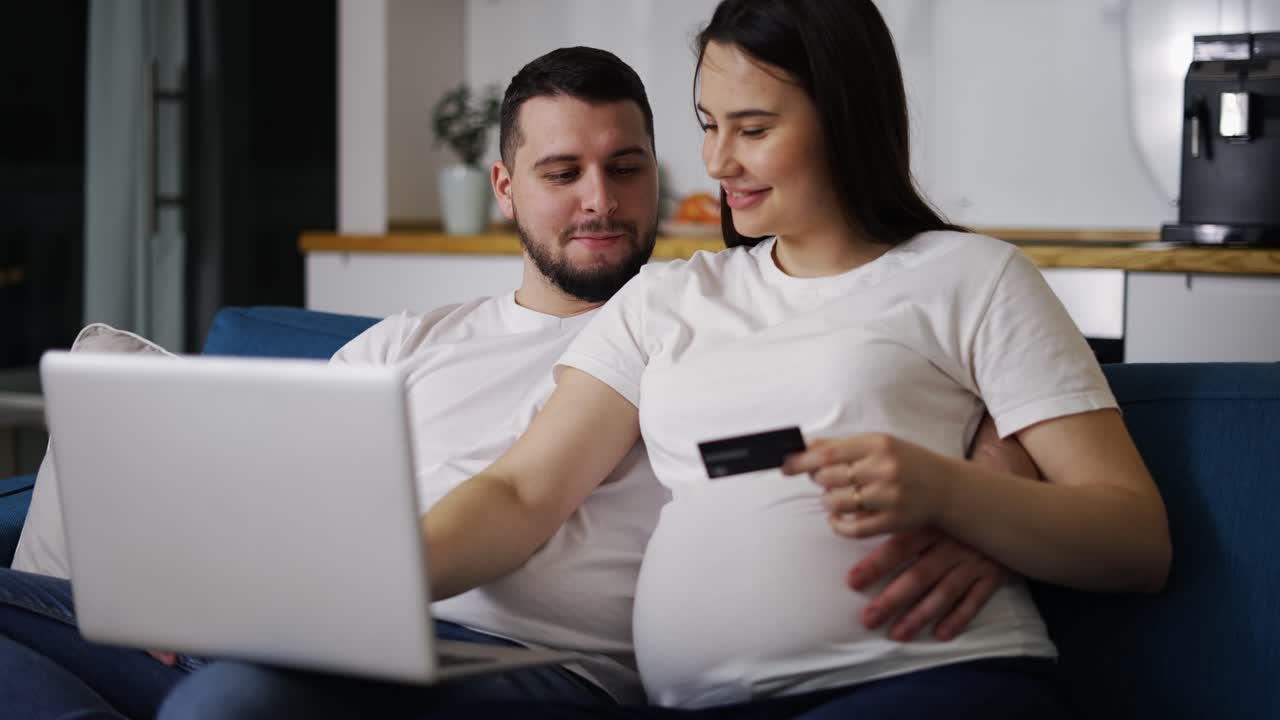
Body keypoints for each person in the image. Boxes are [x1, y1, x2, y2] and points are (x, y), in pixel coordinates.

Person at [0, 46, 1026, 720]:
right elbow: (284, 505)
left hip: (520, 663)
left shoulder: (700, 321)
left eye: (625, 167)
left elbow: (909, 367)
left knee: (232, 703)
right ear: (503, 186)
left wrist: (987, 489)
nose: (599, 201)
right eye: (561, 172)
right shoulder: (407, 342)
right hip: (332, 635)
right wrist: (242, 597)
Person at [409, 2, 1173, 718]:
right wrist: (377, 584)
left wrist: (951, 490)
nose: (718, 160)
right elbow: (520, 493)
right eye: (709, 125)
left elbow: (1136, 542)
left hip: (924, 680)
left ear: (844, 119)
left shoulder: (973, 277)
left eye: (753, 128)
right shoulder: (666, 299)